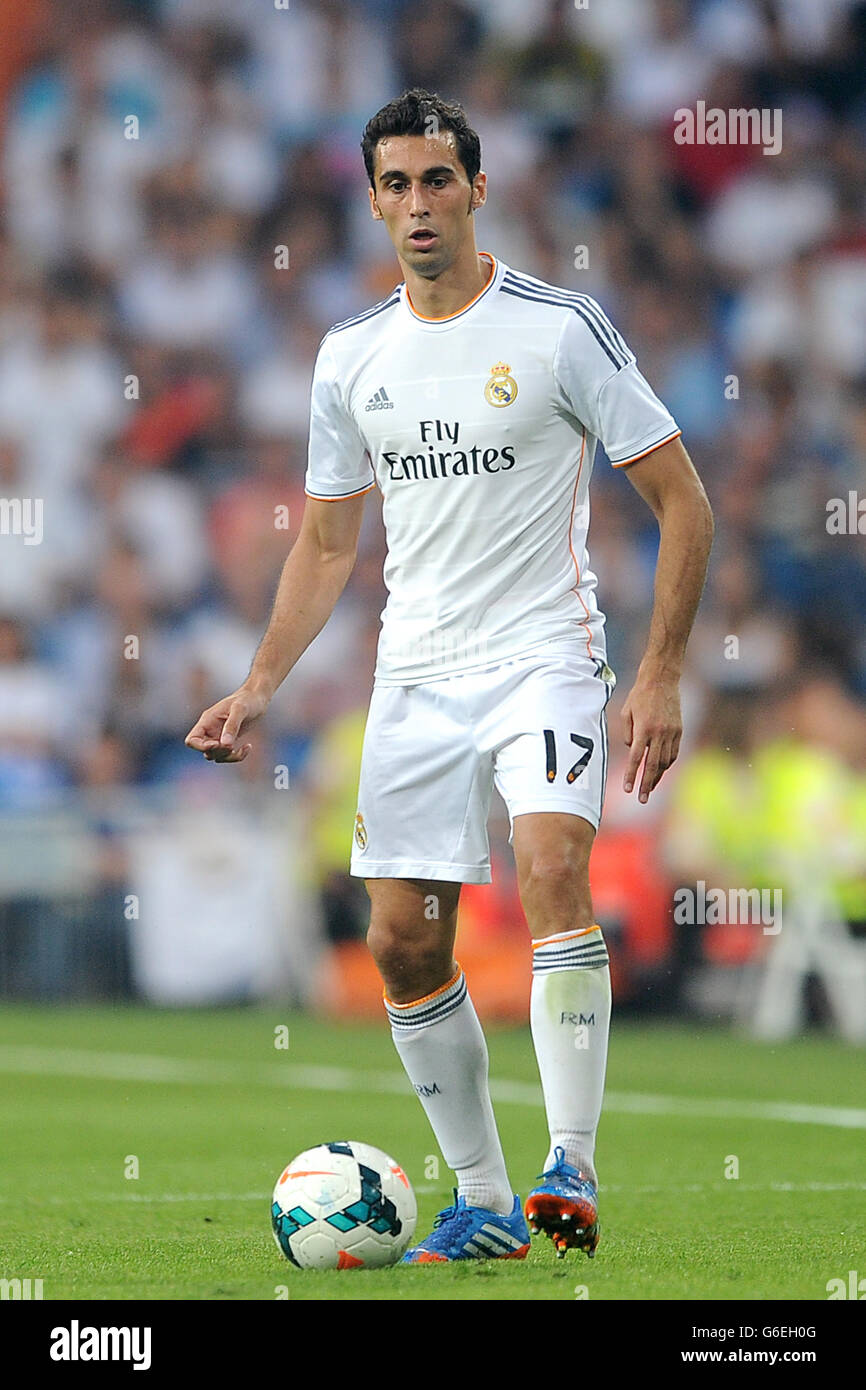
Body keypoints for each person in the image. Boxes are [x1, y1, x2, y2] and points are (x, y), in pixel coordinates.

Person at [186, 89, 714, 1263]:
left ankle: (566, 1161)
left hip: (544, 654)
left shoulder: (559, 327)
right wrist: (262, 680)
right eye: (393, 185)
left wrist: (661, 668)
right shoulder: (351, 357)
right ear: (372, 202)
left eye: (436, 180)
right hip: (416, 674)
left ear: (478, 189)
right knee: (401, 943)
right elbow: (327, 542)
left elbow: (684, 501)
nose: (416, 205)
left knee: (548, 863)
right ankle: (479, 1199)